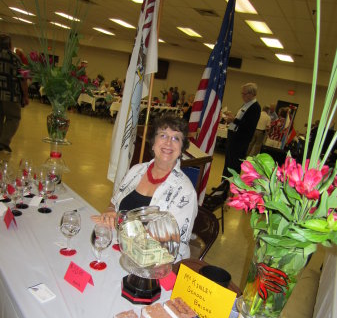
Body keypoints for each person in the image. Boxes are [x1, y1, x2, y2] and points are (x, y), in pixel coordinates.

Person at [92, 115, 198, 260]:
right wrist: (110, 211)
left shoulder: (185, 191)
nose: (168, 142)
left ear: (181, 149)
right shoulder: (136, 170)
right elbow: (114, 203)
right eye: (163, 135)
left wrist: (121, 222)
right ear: (153, 143)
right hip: (118, 248)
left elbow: (172, 247)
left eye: (176, 138)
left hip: (154, 263)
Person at [222, 83, 261, 181]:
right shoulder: (246, 104)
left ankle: (229, 190)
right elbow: (241, 120)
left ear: (252, 94)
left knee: (233, 166)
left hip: (240, 141)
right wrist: (233, 118)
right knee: (228, 163)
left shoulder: (255, 107)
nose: (242, 96)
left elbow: (248, 126)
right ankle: (222, 186)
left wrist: (233, 120)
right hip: (234, 137)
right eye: (242, 93)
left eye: (244, 94)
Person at [0, 34, 29, 153]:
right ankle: (3, 142)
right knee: (14, 118)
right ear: (10, 45)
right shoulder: (16, 58)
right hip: (11, 95)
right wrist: (26, 96)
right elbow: (24, 78)